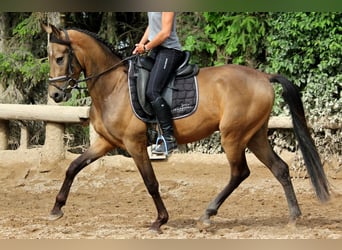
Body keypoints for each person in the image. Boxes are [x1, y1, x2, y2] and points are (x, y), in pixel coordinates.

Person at [133, 12, 184, 155]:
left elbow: (165, 33)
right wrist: (141, 43)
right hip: (156, 50)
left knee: (152, 91)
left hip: (169, 51)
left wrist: (147, 48)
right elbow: (152, 26)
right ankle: (152, 131)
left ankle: (169, 139)